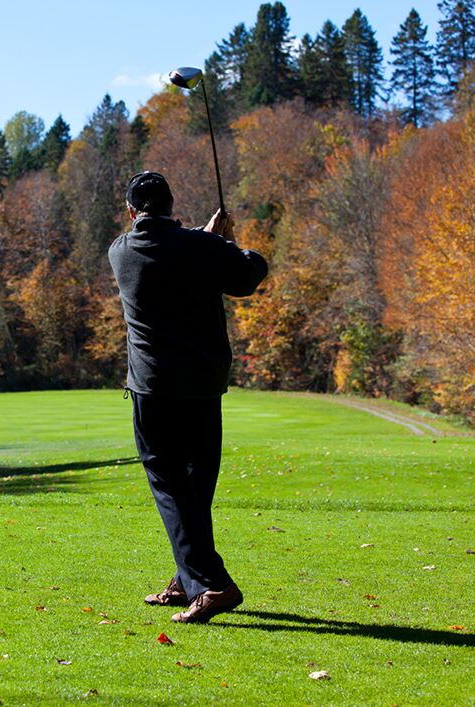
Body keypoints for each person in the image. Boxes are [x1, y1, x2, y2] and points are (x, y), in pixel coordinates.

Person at [108, 171, 268, 624]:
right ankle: (189, 578)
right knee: (195, 486)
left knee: (171, 484)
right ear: (171, 204)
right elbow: (250, 274)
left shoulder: (121, 251)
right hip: (202, 383)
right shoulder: (203, 249)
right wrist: (229, 245)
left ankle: (212, 583)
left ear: (131, 212)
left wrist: (205, 240)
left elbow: (167, 246)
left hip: (153, 386)